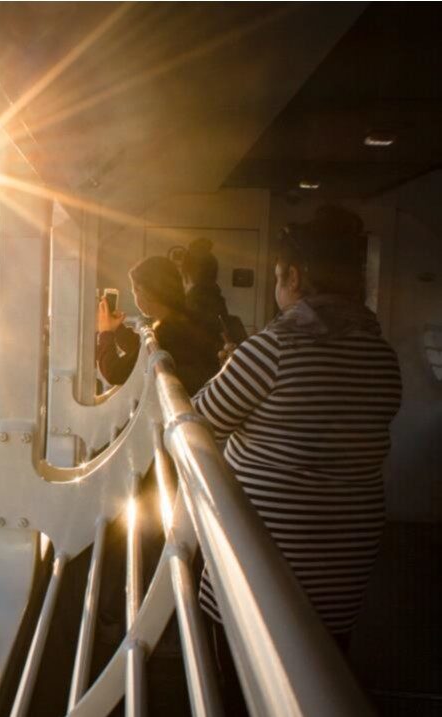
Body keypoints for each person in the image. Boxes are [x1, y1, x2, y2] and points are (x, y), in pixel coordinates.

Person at [192, 206, 402, 702]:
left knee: (242, 687)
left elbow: (198, 419)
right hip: (343, 560)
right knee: (317, 680)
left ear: (294, 276)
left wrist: (235, 367)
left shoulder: (274, 348)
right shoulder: (381, 354)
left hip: (266, 560)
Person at [97, 256, 222, 395]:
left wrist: (105, 333)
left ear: (144, 292)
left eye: (135, 291)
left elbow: (115, 372)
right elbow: (142, 351)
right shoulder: (184, 322)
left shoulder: (168, 333)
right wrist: (118, 329)